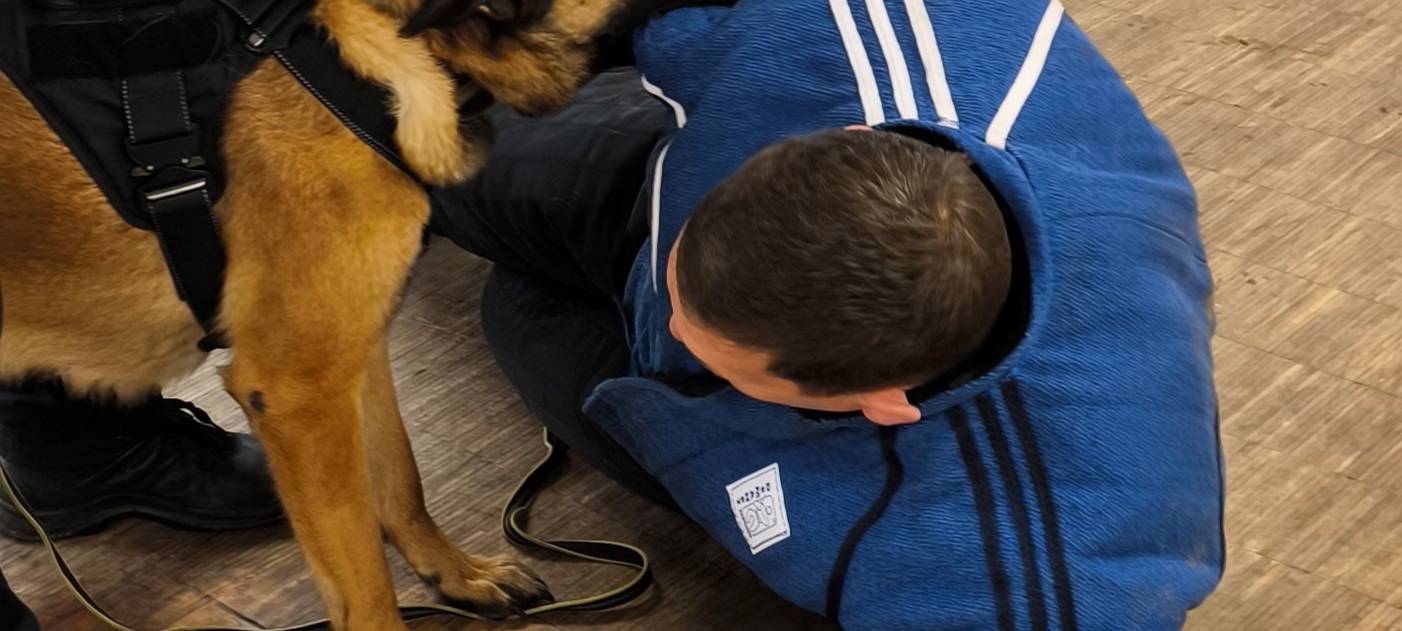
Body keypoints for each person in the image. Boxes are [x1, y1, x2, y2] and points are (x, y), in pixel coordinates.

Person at [434, 0, 1223, 628]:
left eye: (715, 354)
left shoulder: (1036, 566)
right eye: (683, 297)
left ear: (882, 407)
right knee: (427, 150)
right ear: (848, 135)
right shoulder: (829, 36)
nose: (676, 328)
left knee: (512, 310)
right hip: (655, 196)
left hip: (743, 440)